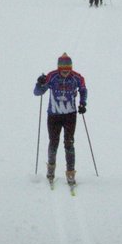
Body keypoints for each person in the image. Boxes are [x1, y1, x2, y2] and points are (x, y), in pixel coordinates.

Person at [33, 53, 87, 185]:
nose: (65, 73)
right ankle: (50, 170)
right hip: (53, 115)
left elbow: (83, 89)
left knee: (69, 143)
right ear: (58, 68)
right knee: (53, 142)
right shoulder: (52, 77)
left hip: (70, 115)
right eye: (62, 71)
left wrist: (82, 103)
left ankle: (70, 173)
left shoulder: (76, 77)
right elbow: (37, 93)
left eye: (67, 70)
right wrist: (39, 83)